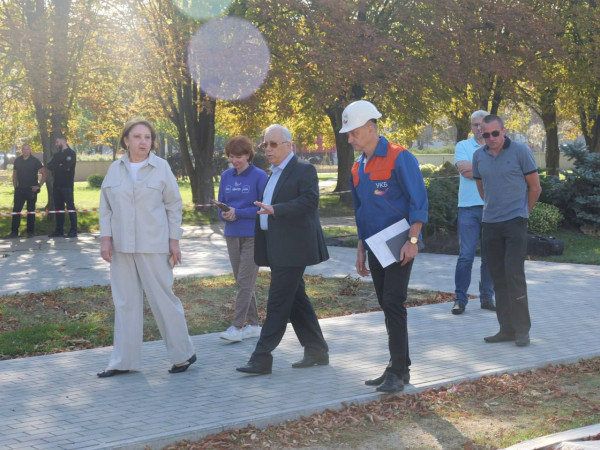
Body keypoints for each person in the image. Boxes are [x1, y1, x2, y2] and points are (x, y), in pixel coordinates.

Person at [340, 100, 428, 393]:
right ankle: (398, 366)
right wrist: (360, 247)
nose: (349, 139)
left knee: (393, 302)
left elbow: (418, 202)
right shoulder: (357, 166)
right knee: (387, 304)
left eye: (353, 133)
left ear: (369, 128)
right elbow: (361, 210)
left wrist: (413, 241)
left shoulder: (399, 156)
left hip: (399, 242)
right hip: (374, 245)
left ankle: (398, 371)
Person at [97, 118, 196, 377]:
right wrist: (105, 238)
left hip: (154, 245)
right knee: (125, 303)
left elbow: (174, 206)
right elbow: (105, 207)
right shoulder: (114, 170)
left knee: (163, 300)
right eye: (138, 136)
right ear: (126, 140)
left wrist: (174, 241)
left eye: (148, 137)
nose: (144, 142)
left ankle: (183, 355)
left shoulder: (161, 168)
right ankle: (123, 361)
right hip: (121, 247)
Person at [236, 124, 330, 375]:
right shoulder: (273, 174)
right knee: (297, 300)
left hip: (294, 248)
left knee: (278, 302)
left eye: (274, 144)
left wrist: (277, 210)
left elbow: (310, 201)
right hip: (277, 247)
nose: (268, 149)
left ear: (289, 146)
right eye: (265, 144)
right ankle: (317, 350)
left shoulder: (303, 169)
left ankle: (261, 357)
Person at [472, 114, 542, 347]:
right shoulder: (477, 156)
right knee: (498, 278)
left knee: (514, 275)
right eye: (486, 134)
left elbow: (535, 188)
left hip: (515, 223)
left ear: (504, 131)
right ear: (480, 134)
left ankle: (522, 330)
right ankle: (506, 329)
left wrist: (523, 214)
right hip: (490, 224)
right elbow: (483, 189)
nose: (491, 138)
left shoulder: (521, 151)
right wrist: (493, 209)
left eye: (495, 133)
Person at [217, 136, 268, 342]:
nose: (235, 160)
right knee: (243, 281)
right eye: (231, 156)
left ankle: (236, 327)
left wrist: (238, 212)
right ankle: (254, 325)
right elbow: (221, 205)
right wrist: (225, 214)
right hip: (232, 234)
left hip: (253, 235)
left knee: (244, 282)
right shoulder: (225, 176)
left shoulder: (259, 176)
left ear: (248, 155)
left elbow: (262, 206)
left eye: (239, 156)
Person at [452, 110, 495, 315]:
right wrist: (489, 169)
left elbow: (474, 171)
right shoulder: (463, 146)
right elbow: (464, 170)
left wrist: (476, 168)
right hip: (468, 207)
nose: (478, 128)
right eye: (474, 125)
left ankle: (487, 298)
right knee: (465, 256)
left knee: (489, 258)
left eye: (481, 124)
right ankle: (460, 299)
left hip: (491, 207)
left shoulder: (496, 145)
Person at [7, 144, 47, 239]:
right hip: (19, 190)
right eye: (24, 149)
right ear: (22, 150)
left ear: (30, 150)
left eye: (27, 149)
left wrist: (38, 186)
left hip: (31, 190)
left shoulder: (35, 161)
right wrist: (15, 187)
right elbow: (15, 175)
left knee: (31, 211)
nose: (25, 151)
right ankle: (14, 233)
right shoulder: (18, 160)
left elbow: (44, 173)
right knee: (16, 211)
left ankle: (30, 232)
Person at [47, 134, 78, 237]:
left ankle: (73, 230)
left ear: (63, 141)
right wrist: (60, 166)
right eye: (56, 143)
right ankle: (59, 231)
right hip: (57, 185)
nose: (56, 144)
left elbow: (67, 167)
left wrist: (59, 166)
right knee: (59, 208)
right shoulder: (56, 155)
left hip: (67, 185)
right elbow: (49, 166)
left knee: (70, 207)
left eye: (57, 142)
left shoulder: (71, 153)